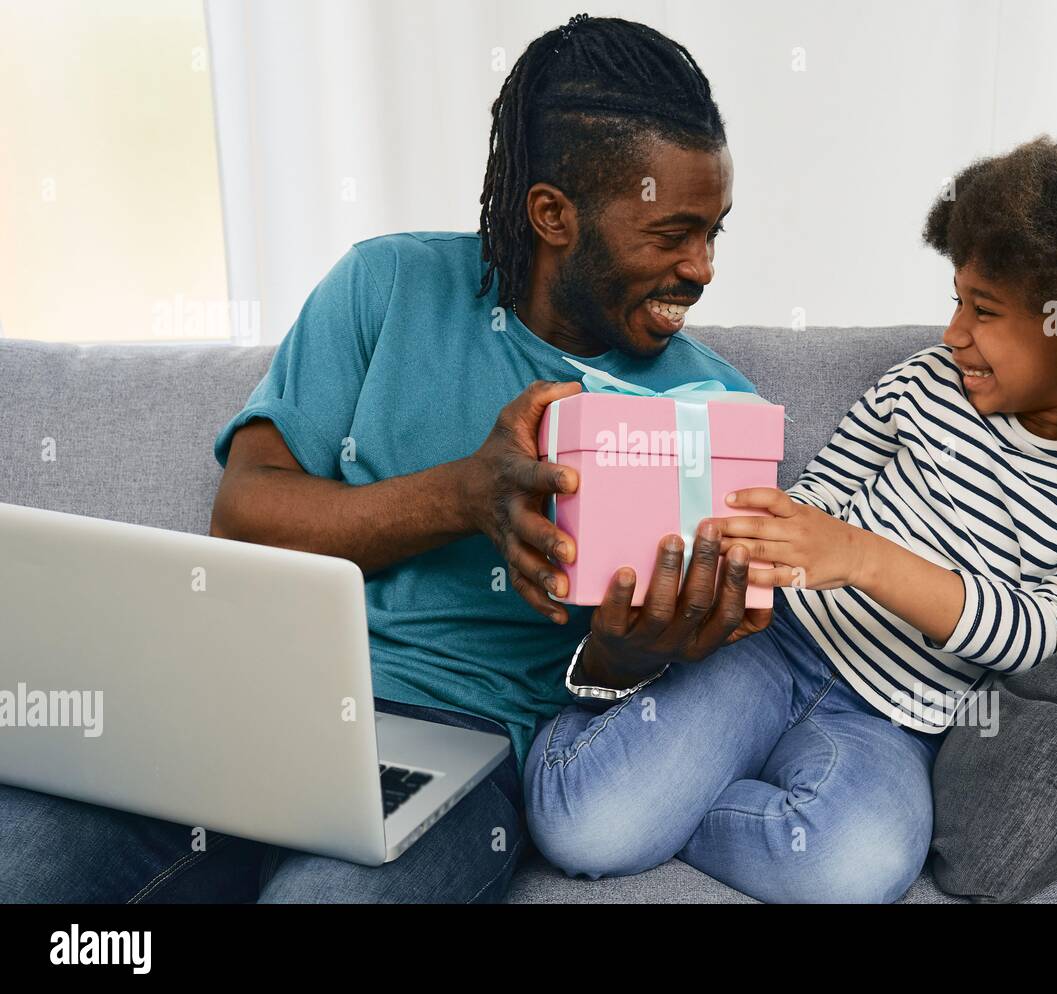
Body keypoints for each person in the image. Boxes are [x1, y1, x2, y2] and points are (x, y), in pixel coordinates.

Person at [0, 15, 770, 904]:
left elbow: (650, 687)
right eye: (671, 234)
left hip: (463, 752)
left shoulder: (719, 414)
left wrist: (626, 661)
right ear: (553, 214)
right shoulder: (387, 286)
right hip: (250, 716)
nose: (702, 268)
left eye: (714, 231)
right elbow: (244, 515)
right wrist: (467, 495)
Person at [523, 135, 1057, 903]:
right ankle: (622, 772)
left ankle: (679, 798)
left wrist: (864, 557)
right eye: (956, 301)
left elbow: (1038, 638)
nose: (952, 336)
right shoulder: (923, 383)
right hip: (773, 648)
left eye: (982, 311)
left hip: (898, 722)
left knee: (857, 868)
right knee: (586, 828)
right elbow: (812, 506)